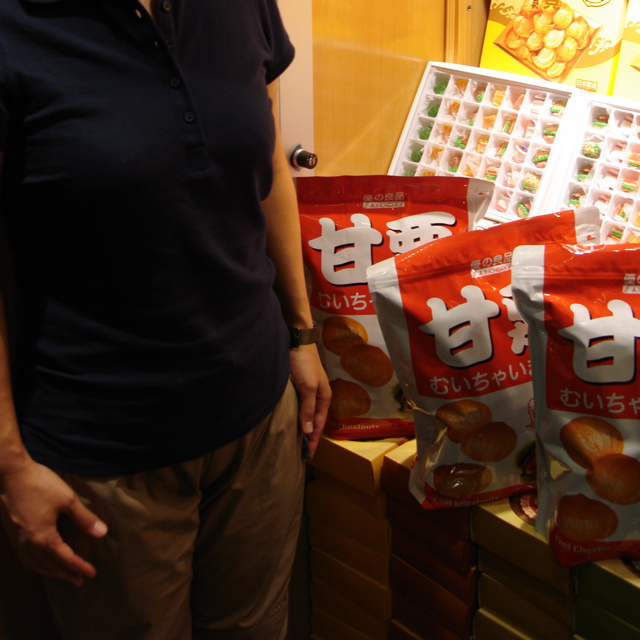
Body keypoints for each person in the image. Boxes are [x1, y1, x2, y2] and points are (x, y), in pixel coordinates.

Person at [0, 0, 331, 638]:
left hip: (258, 417)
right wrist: (9, 466)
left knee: (257, 627)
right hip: (108, 457)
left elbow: (268, 169)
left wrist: (301, 334)